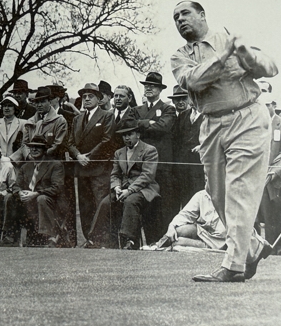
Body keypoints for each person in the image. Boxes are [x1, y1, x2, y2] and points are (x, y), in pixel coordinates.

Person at [170, 0, 278, 282]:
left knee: (238, 191)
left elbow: (271, 67)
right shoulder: (179, 56)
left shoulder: (228, 38)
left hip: (247, 117)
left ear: (202, 15)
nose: (180, 19)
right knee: (217, 195)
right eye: (175, 17)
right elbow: (193, 81)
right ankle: (252, 246)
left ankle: (233, 266)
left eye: (185, 13)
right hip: (210, 124)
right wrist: (224, 58)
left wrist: (247, 58)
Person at [147, 189, 274, 280]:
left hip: (220, 240)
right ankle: (157, 246)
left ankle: (257, 245)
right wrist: (172, 226)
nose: (208, 179)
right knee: (179, 230)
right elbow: (185, 214)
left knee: (178, 242)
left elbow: (229, 230)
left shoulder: (229, 195)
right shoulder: (202, 195)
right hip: (205, 232)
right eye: (206, 176)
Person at [87, 118, 160, 249]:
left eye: (129, 134)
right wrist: (117, 187)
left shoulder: (150, 150)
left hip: (144, 189)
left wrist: (130, 190)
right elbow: (115, 174)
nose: (126, 138)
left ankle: (129, 241)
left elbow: (147, 175)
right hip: (123, 189)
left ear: (138, 134)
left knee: (130, 201)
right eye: (124, 135)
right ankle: (95, 239)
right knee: (105, 203)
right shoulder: (119, 152)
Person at [67, 82, 114, 247]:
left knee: (100, 204)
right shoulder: (77, 119)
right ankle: (89, 239)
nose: (86, 99)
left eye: (90, 96)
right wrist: (78, 156)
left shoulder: (107, 116)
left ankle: (100, 239)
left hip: (99, 169)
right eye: (84, 96)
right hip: (81, 169)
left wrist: (90, 157)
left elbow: (107, 140)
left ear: (99, 98)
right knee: (85, 206)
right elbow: (70, 142)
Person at [134, 72, 177, 239]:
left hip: (162, 165)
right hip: (143, 165)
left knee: (164, 205)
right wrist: (148, 123)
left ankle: (164, 240)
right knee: (146, 203)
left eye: (153, 86)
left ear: (160, 89)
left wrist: (142, 126)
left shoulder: (168, 109)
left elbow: (162, 127)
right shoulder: (137, 109)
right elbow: (129, 125)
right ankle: (150, 240)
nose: (149, 88)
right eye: (146, 85)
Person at [4, 135, 65, 246]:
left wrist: (36, 193)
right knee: (10, 197)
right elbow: (16, 185)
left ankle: (48, 236)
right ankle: (11, 235)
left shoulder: (55, 165)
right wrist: (20, 192)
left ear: (45, 150)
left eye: (38, 147)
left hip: (48, 201)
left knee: (41, 199)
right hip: (28, 201)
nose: (34, 150)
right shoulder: (25, 167)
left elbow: (57, 187)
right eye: (31, 147)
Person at [256, 92, 281, 254]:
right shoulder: (256, 125)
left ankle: (278, 248)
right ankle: (265, 248)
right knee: (263, 215)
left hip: (278, 180)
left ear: (274, 105)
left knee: (277, 214)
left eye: (268, 105)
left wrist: (273, 173)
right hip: (259, 178)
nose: (265, 108)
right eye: (262, 105)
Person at [169, 84, 204, 206]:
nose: (194, 99)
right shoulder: (183, 116)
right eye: (191, 96)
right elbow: (175, 141)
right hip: (182, 167)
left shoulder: (209, 116)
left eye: (197, 96)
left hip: (200, 166)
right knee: (185, 199)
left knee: (200, 198)